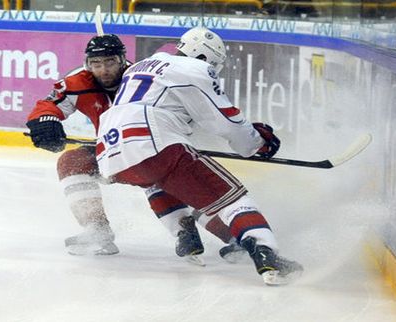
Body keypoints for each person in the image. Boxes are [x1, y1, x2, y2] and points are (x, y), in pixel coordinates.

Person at [96, 27, 303, 285]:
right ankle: (267, 256)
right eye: (213, 64)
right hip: (154, 142)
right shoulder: (195, 69)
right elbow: (226, 121)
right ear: (203, 56)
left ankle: (184, 232)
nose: (213, 70)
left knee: (161, 181)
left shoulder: (140, 67)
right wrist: (257, 143)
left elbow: (181, 117)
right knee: (232, 198)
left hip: (109, 153)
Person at [25, 33, 243, 262]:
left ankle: (235, 238)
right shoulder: (78, 82)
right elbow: (48, 104)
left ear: (122, 60)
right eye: (96, 64)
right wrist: (45, 121)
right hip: (113, 151)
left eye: (110, 62)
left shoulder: (145, 76)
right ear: (87, 64)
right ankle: (98, 231)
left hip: (160, 146)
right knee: (72, 161)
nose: (104, 70)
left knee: (174, 182)